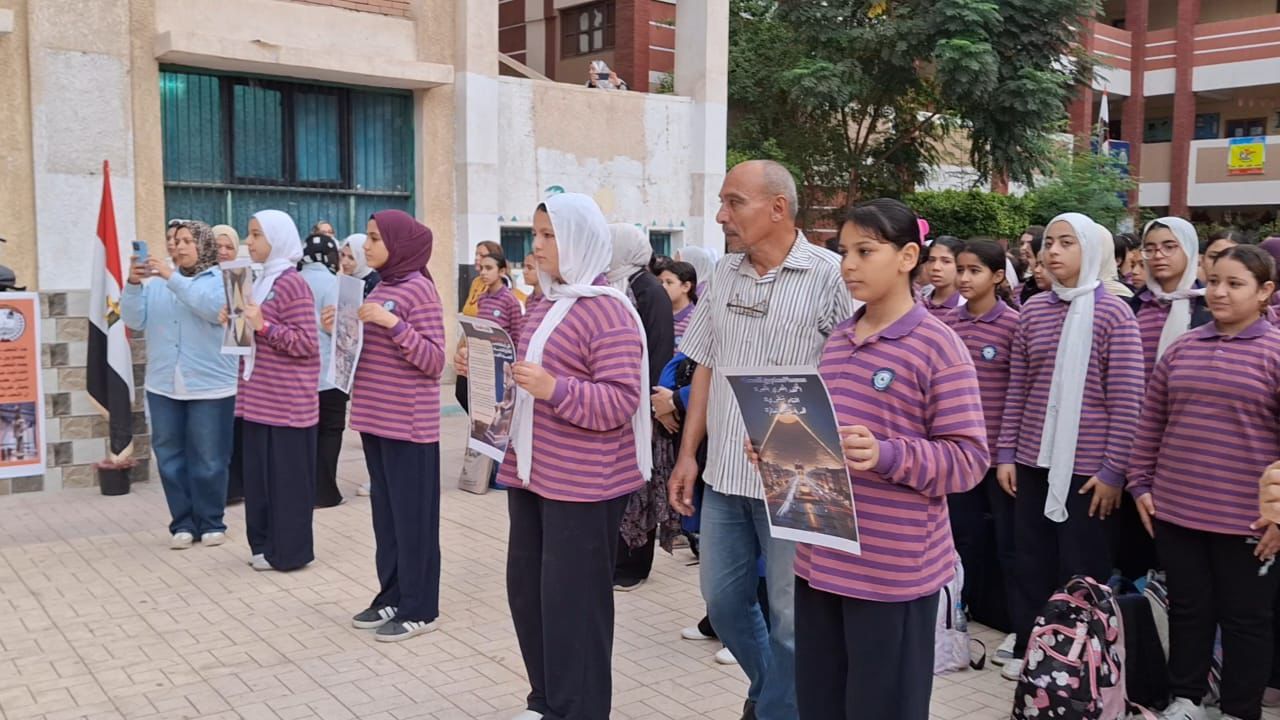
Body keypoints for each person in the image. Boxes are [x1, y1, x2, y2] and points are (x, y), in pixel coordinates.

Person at [756, 198, 986, 720]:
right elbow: (827, 440)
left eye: (865, 250)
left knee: (882, 707)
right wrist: (780, 449)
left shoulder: (938, 347)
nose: (849, 265)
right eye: (843, 252)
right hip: (821, 559)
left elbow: (969, 459)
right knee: (822, 703)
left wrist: (885, 454)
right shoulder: (838, 340)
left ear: (908, 256)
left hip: (893, 574)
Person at [669, 159, 855, 720]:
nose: (721, 215)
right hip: (726, 470)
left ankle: (777, 709)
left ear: (778, 208)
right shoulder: (724, 274)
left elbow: (852, 367)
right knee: (723, 603)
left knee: (793, 616)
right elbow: (703, 365)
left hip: (802, 470)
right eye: (722, 203)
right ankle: (776, 690)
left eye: (734, 202)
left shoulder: (830, 275)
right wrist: (686, 457)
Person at [498, 193, 650, 720]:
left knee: (574, 606)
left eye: (548, 236)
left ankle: (578, 708)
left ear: (580, 241)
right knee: (530, 595)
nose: (536, 247)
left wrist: (552, 388)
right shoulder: (545, 302)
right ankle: (546, 699)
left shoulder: (607, 311)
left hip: (586, 485)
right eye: (535, 235)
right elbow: (522, 375)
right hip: (534, 472)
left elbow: (620, 400)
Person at [1127, 244, 1280, 720]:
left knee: (1246, 622)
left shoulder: (1275, 353)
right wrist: (1140, 484)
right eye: (1213, 281)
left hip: (1249, 522)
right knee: (1189, 612)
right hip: (1178, 511)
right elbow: (1151, 423)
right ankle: (1186, 699)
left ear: (1265, 293)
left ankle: (1239, 708)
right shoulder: (1183, 348)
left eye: (1235, 284)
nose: (1219, 292)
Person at [995, 213, 1144, 680]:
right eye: (1049, 243)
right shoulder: (1035, 309)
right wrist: (1006, 454)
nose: (1052, 251)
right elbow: (1018, 388)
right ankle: (1030, 647)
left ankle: (1079, 660)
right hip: (1032, 461)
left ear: (1093, 251)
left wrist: (1113, 471)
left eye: (1066, 243)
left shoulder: (1115, 312)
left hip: (1089, 472)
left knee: (1082, 568)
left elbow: (1127, 400)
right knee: (1031, 560)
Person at [347, 210, 446, 642]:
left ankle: (421, 606)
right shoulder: (381, 284)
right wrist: (343, 327)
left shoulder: (419, 290)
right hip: (376, 419)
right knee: (386, 519)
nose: (365, 246)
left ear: (398, 244)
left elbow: (434, 360)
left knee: (414, 521)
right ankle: (392, 593)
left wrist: (394, 324)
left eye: (373, 238)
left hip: (409, 426)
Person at [122, 220, 238, 550]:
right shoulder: (156, 283)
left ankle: (212, 520)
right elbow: (133, 320)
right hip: (163, 384)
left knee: (209, 458)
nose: (179, 246)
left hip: (211, 385)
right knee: (170, 457)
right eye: (174, 240)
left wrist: (170, 278)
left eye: (188, 240)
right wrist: (133, 283)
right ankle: (183, 523)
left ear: (204, 244)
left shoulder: (222, 279)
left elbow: (214, 310)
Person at [226, 210, 320, 572]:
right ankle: (263, 546)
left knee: (287, 485)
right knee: (261, 482)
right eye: (249, 235)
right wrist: (234, 322)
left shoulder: (292, 283)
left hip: (287, 405)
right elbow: (249, 336)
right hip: (258, 400)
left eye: (255, 235)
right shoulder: (259, 281)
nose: (249, 242)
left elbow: (306, 343)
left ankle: (290, 552)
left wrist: (263, 326)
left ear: (277, 239)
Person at [946, 239, 1021, 665]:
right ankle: (959, 609)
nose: (964, 278)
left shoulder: (1013, 324)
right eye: (961, 269)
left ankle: (1015, 624)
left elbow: (1018, 393)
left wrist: (1007, 452)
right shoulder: (948, 325)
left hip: (997, 457)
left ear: (997, 276)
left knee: (1009, 544)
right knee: (960, 536)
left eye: (974, 270)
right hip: (956, 454)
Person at [609, 223, 676, 592]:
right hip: (621, 406)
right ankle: (616, 559)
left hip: (644, 407)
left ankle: (635, 566)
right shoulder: (614, 284)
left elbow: (659, 350)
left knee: (640, 488)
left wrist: (651, 403)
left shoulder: (648, 289)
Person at [298, 233, 345, 509]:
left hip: (298, 376)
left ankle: (302, 489)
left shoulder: (292, 282)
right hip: (330, 373)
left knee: (306, 434)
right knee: (330, 431)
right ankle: (325, 492)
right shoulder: (336, 284)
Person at [922, 235, 966, 318]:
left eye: (946, 261)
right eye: (931, 260)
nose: (936, 267)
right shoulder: (919, 303)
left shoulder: (967, 309)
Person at [659, 260, 698, 346]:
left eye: (669, 282)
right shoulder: (658, 314)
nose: (663, 287)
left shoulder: (695, 319)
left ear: (686, 286)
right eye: (661, 282)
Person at [340, 233, 382, 298]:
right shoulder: (346, 278)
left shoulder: (376, 284)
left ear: (363, 258)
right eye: (342, 255)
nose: (343, 262)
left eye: (351, 258)